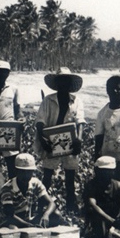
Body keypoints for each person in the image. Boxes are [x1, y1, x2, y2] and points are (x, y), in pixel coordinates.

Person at [34, 67, 85, 213]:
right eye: (61, 81)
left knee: (70, 179)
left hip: (70, 142)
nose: (63, 85)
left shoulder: (76, 101)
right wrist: (43, 140)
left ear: (70, 85)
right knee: (47, 176)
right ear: (57, 84)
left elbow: (80, 121)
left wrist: (79, 139)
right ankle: (40, 207)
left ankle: (70, 208)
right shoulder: (48, 100)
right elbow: (39, 121)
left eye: (66, 82)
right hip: (51, 141)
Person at [0, 153, 64, 229]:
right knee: (14, 229)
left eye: (29, 172)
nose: (26, 175)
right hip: (9, 221)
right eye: (22, 172)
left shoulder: (35, 183)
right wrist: (29, 226)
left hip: (27, 220)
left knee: (56, 215)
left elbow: (51, 203)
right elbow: (9, 215)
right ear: (16, 171)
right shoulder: (8, 188)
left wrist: (46, 215)